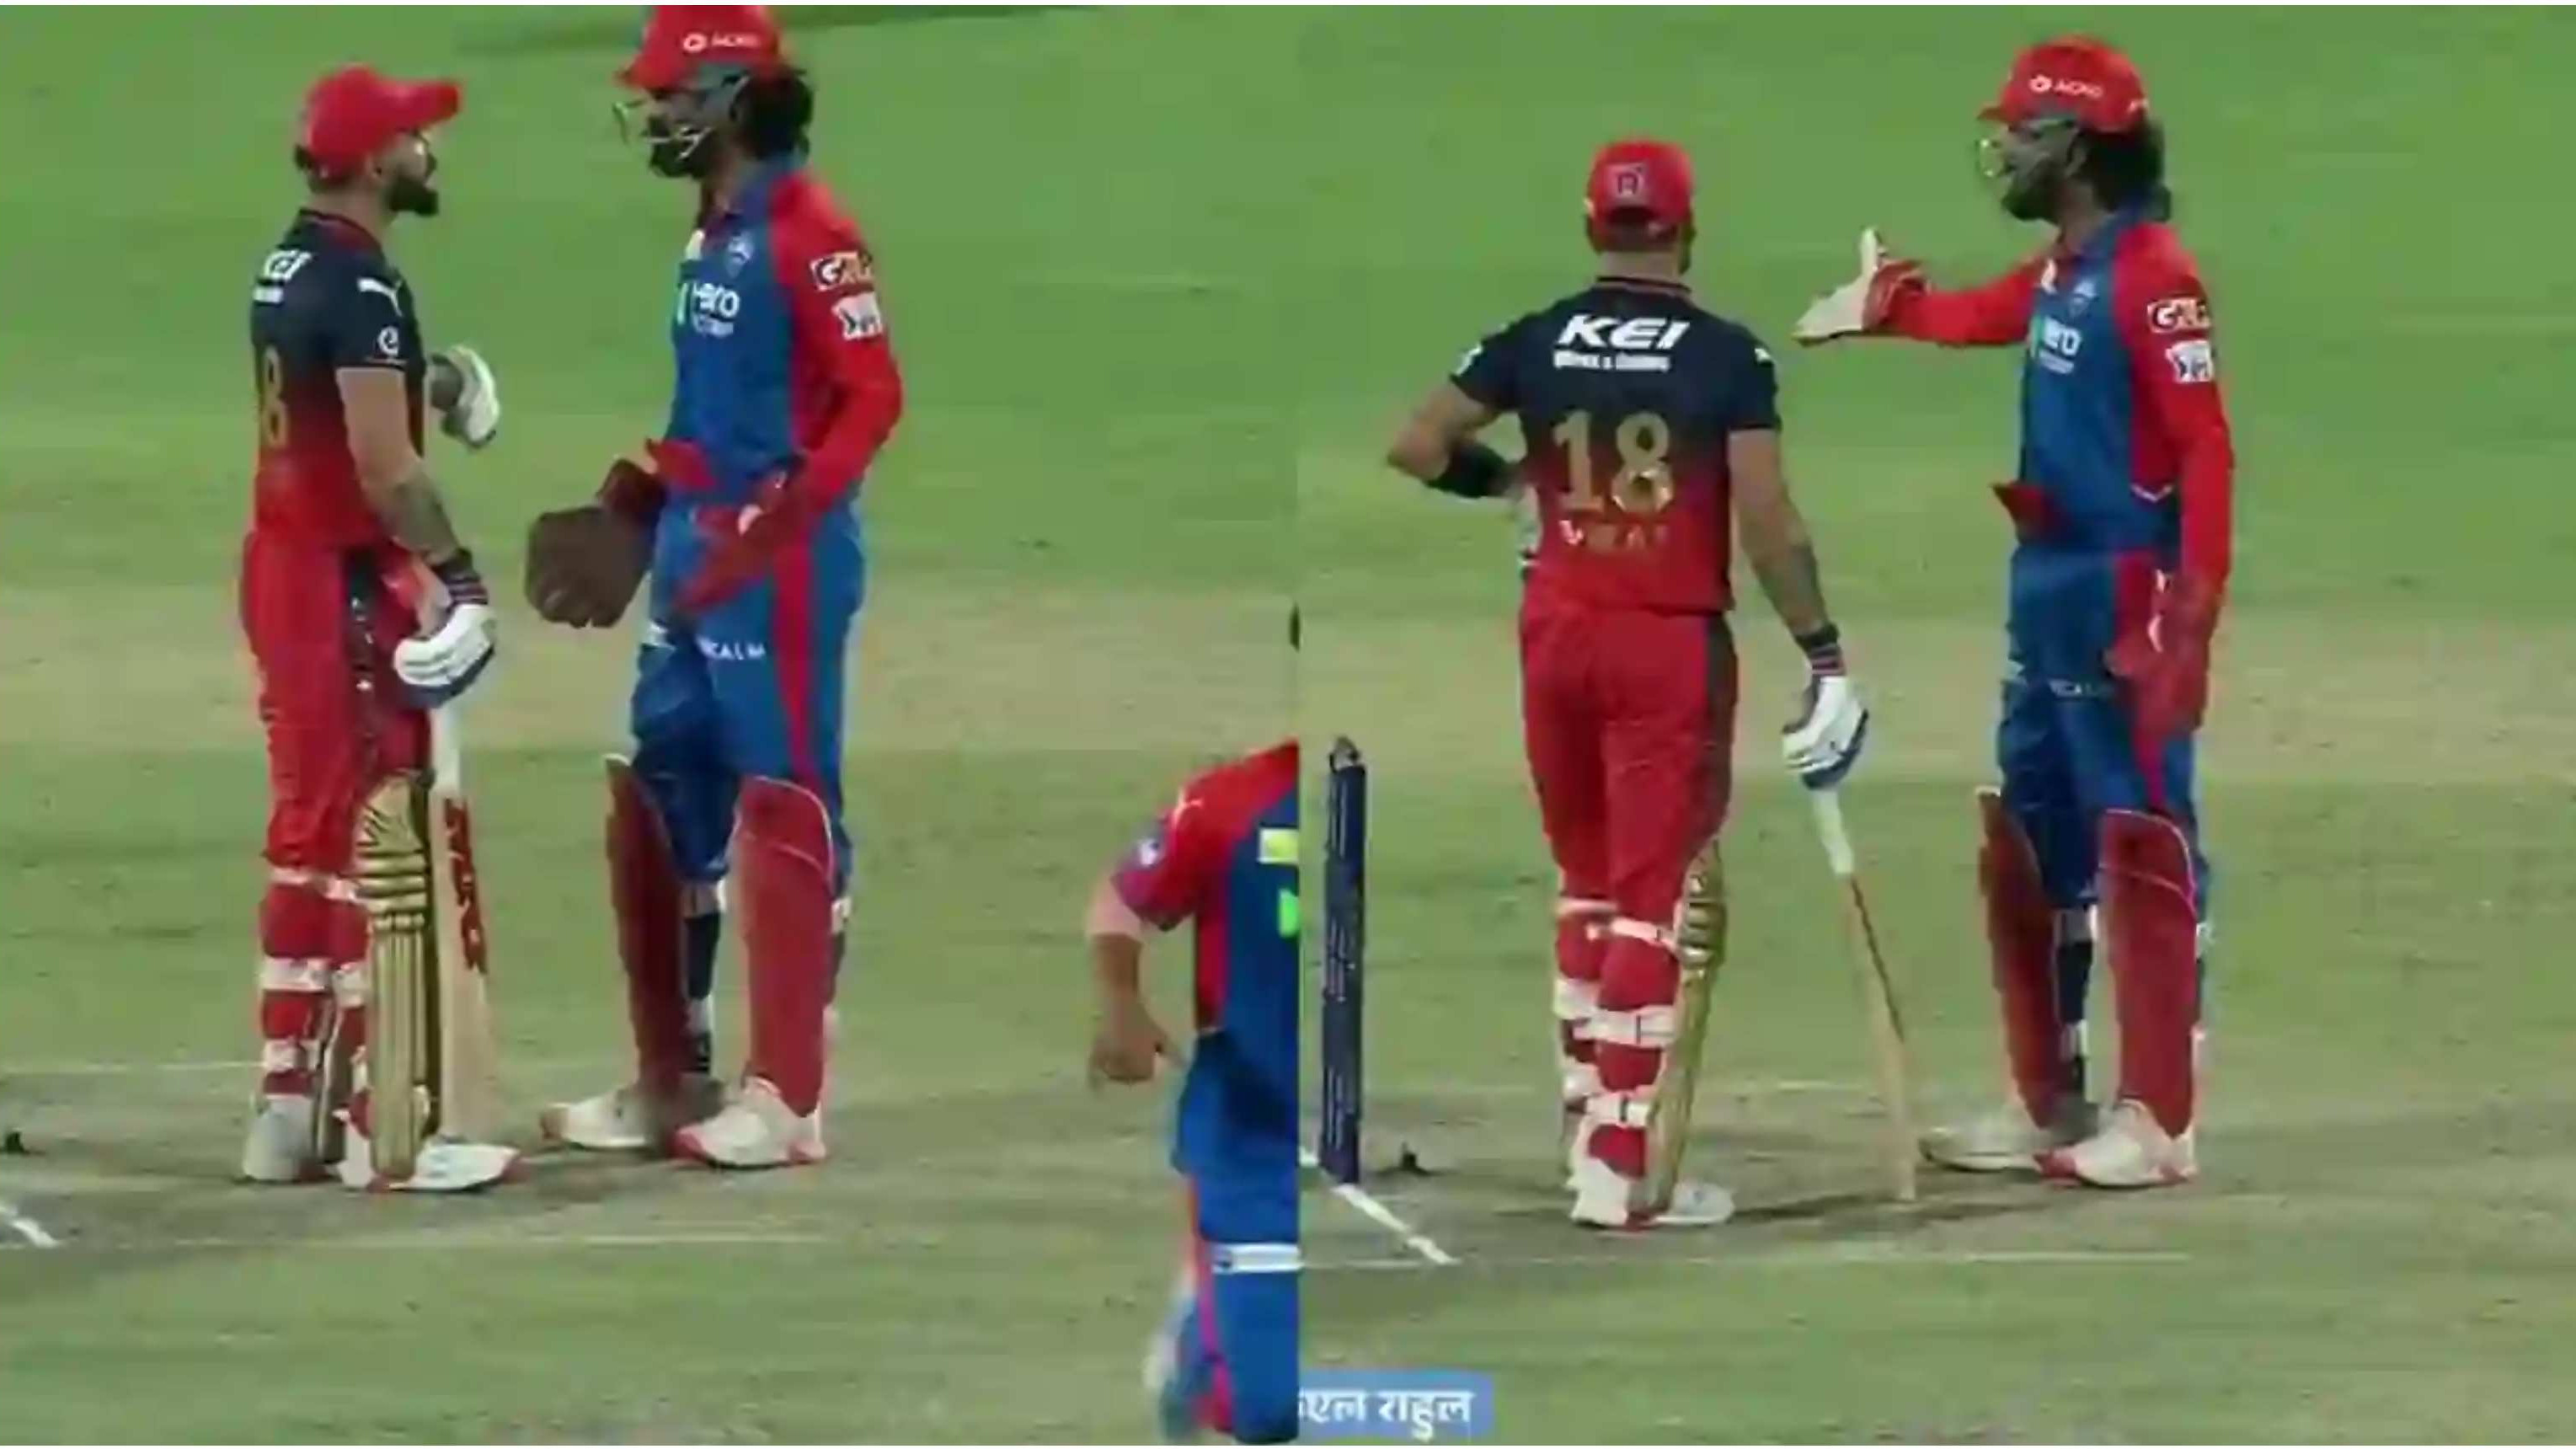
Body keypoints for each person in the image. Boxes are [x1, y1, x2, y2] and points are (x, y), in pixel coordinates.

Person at [1384, 141, 1868, 1230]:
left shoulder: (1536, 337)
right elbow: (1766, 520)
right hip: (1664, 643)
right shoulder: (1727, 358)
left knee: (1585, 882)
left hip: (1557, 631)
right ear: (1687, 231)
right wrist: (1822, 650)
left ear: (1590, 226)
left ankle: (1583, 1126)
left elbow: (1416, 444)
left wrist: (1513, 485)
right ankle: (1616, 1169)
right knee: (1650, 900)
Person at [1793, 36, 2234, 1188]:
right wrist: (1892, 310)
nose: (2009, 152)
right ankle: (2048, 1100)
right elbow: (1986, 315)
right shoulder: (2064, 269)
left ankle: (2159, 1120)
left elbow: (2207, 451)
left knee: (2141, 834)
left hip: (2122, 586)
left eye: (2028, 133)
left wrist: (2189, 619)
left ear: (2082, 148)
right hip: (2043, 581)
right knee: (2031, 836)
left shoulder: (2154, 277)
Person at [526, 5, 904, 1168]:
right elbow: (709, 408)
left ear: (736, 97)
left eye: (673, 99)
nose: (656, 118)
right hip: (695, 549)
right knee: (662, 791)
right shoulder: (714, 228)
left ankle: (787, 1095)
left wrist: (785, 516)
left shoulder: (811, 231)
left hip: (777, 559)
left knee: (785, 800)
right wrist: (641, 500)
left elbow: (873, 397)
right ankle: (671, 1078)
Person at [238, 64, 508, 1190]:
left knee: (308, 830)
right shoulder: (362, 286)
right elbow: (384, 467)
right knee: (375, 836)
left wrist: (435, 382)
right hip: (347, 582)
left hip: (282, 567)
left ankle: (285, 1108)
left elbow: (340, 394)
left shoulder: (290, 262)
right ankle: (380, 1124)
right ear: (369, 162)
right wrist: (461, 576)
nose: (426, 151)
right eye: (410, 137)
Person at [1086, 735, 1300, 1445]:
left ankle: (1207, 1326)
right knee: (1264, 1412)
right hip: (1249, 1125)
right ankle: (1196, 1350)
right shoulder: (1231, 803)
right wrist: (1122, 1007)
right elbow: (1123, 900)